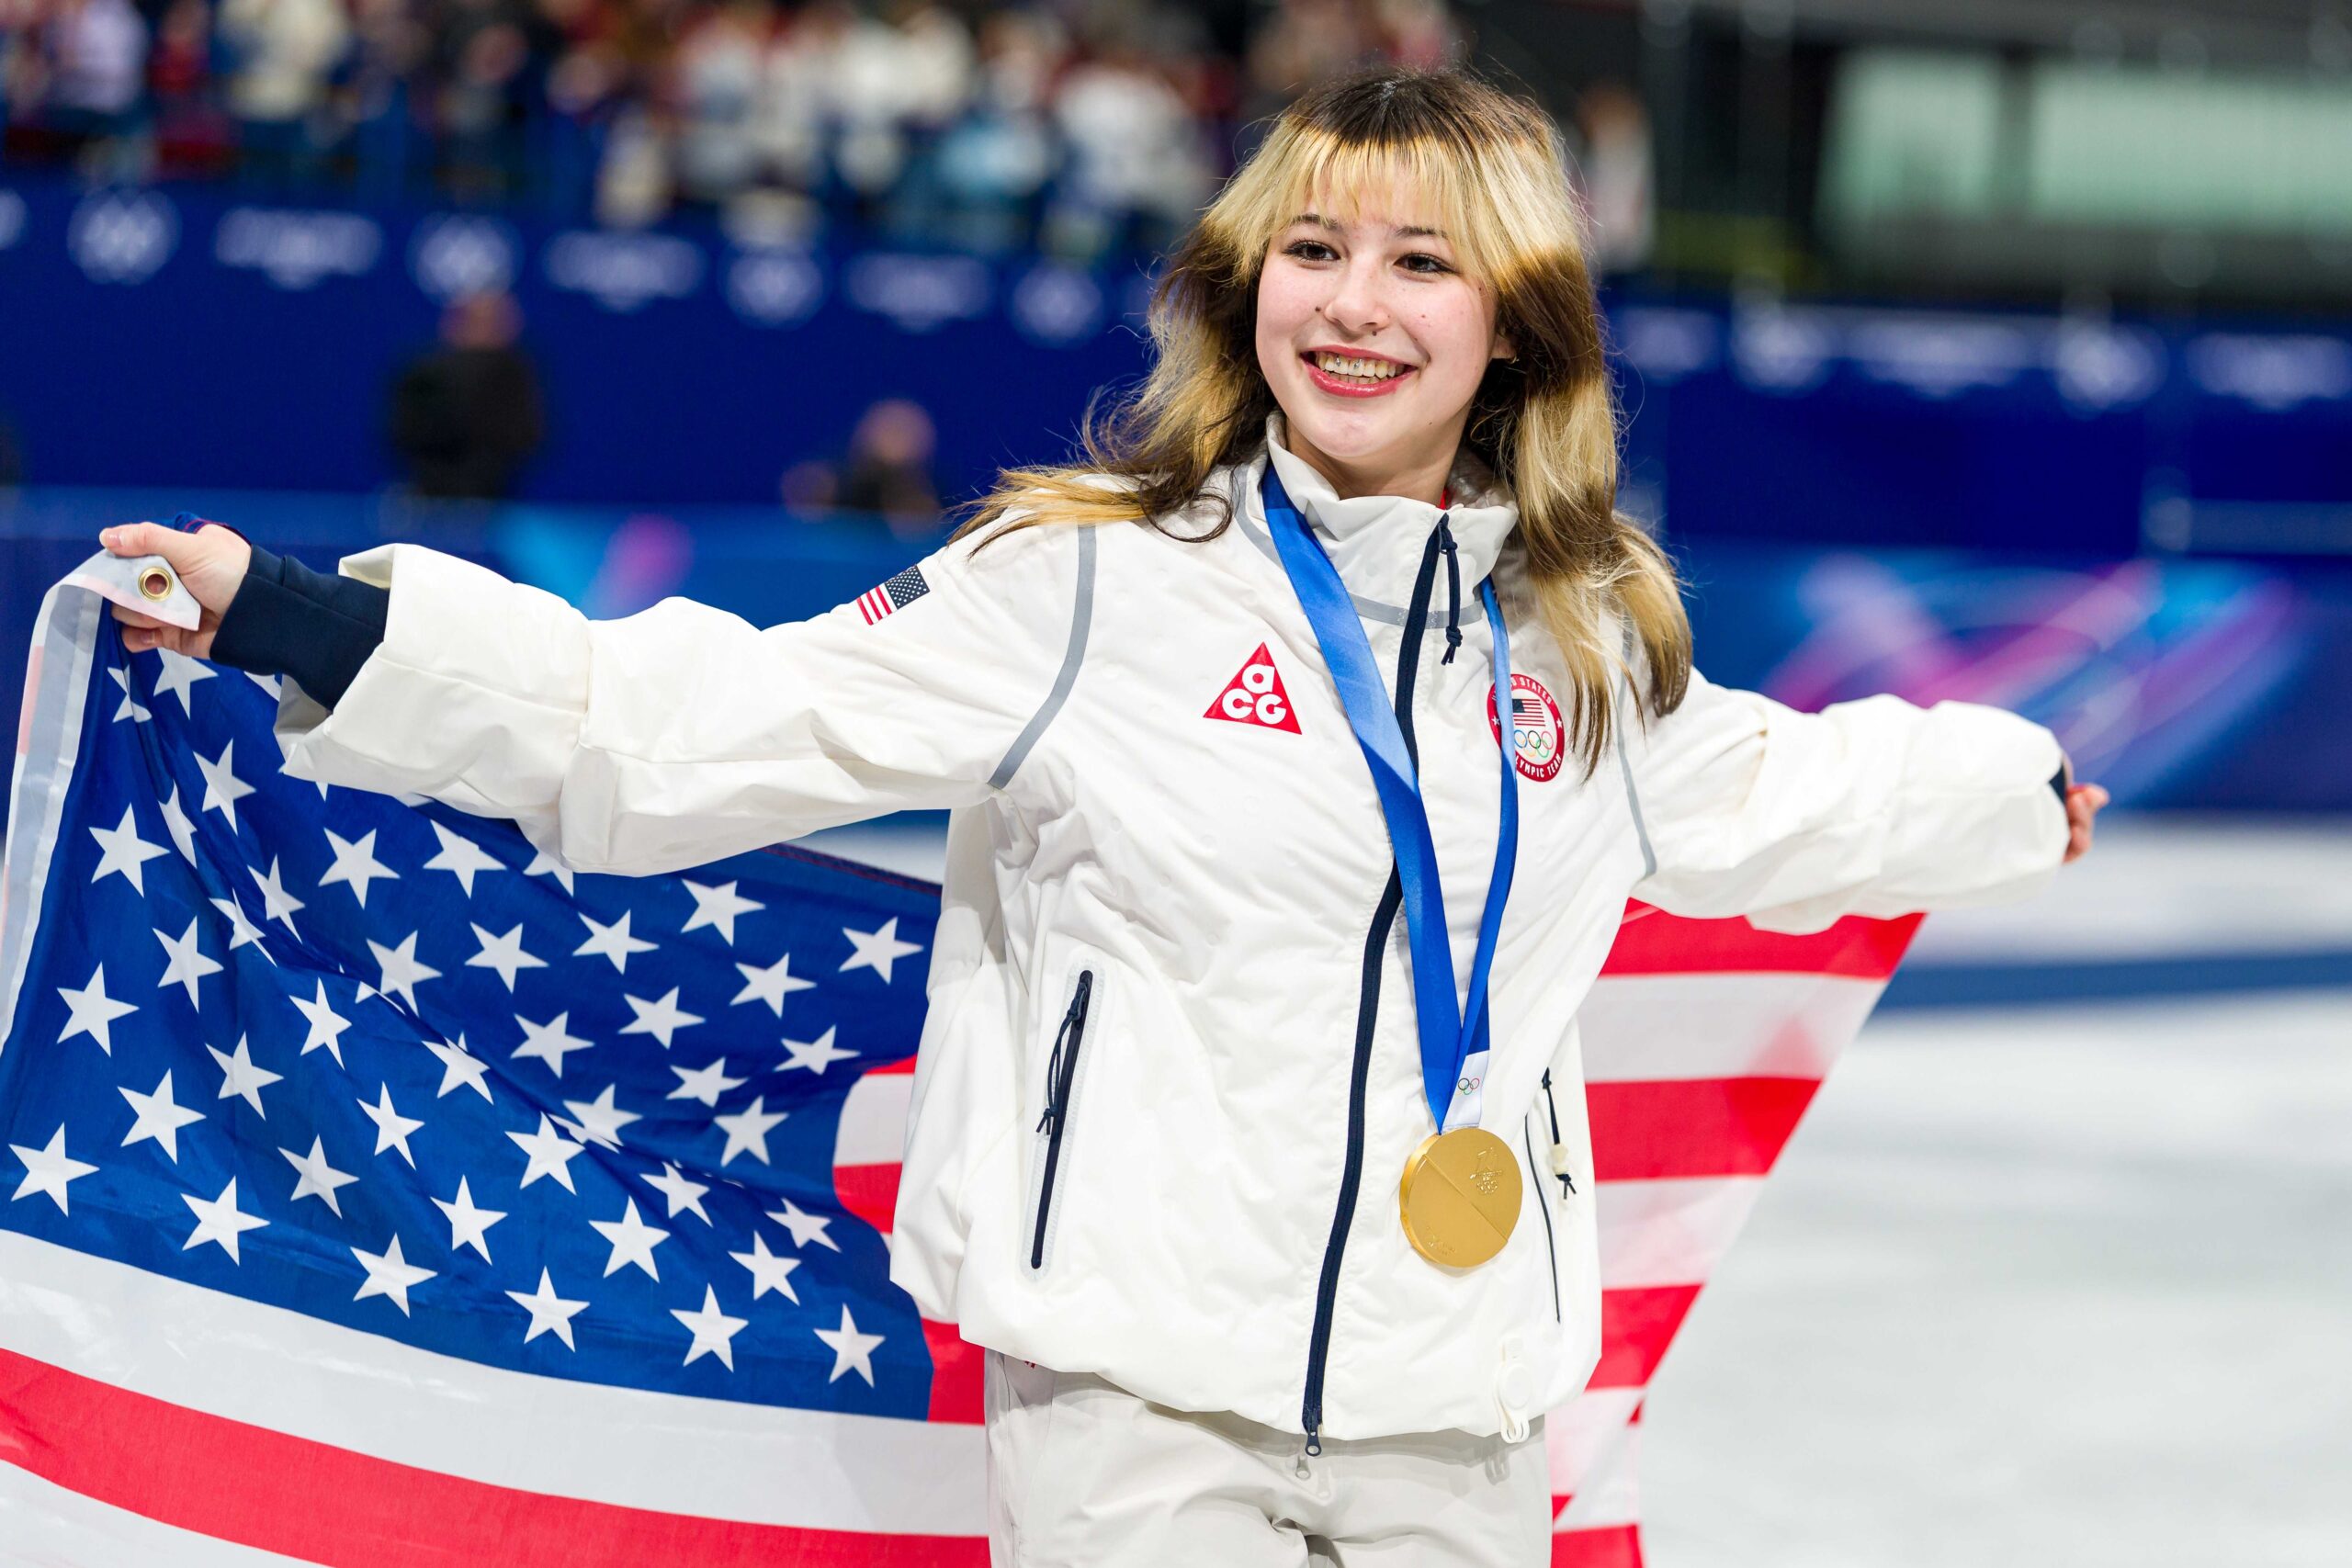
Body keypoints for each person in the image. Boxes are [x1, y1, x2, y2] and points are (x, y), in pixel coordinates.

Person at [97, 63, 2108, 1568]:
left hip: (1468, 1415)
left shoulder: (1579, 638)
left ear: (1514, 319)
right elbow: (704, 711)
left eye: (1420, 260)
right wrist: (309, 622)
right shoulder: (1087, 577)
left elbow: (1789, 787)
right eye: (1311, 249)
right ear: (1242, 286)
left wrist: (2017, 791)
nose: (1353, 302)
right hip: (1142, 1415)